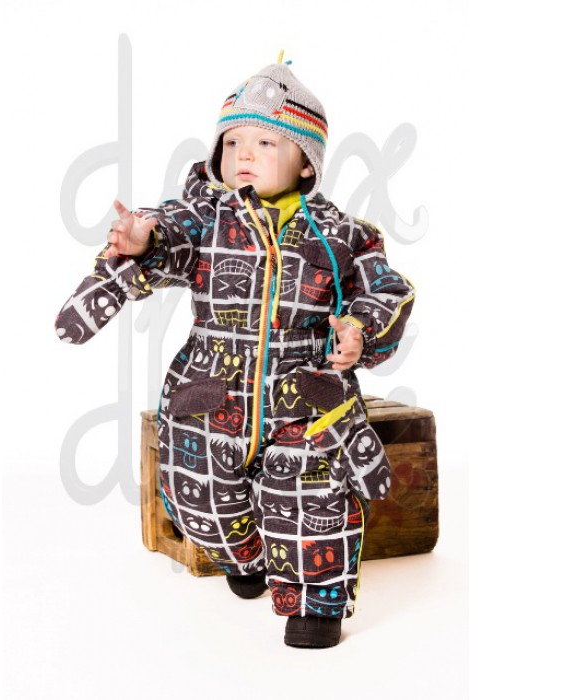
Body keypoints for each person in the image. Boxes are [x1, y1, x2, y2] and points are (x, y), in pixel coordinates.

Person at [55, 53, 416, 648]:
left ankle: (315, 605)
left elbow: (386, 290)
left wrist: (358, 329)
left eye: (266, 142)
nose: (244, 153)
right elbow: (169, 233)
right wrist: (143, 240)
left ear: (306, 163)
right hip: (212, 389)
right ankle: (247, 555)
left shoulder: (345, 235)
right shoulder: (206, 218)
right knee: (202, 500)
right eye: (232, 141)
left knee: (310, 492)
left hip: (303, 395)